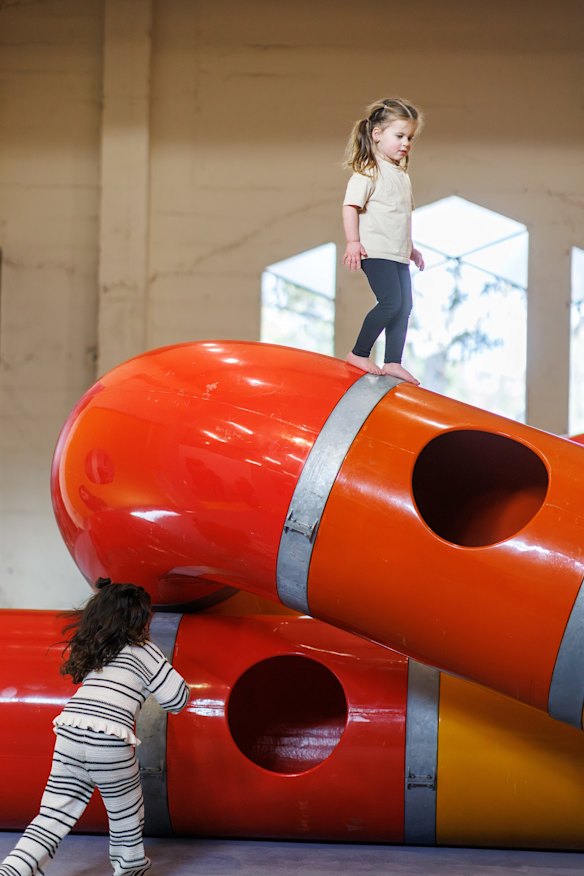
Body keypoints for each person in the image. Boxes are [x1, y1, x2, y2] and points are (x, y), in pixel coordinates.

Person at [0, 579, 189, 876]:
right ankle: (130, 870)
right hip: (110, 736)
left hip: (70, 728)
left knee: (52, 815)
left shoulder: (98, 648)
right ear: (139, 618)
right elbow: (177, 699)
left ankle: (13, 870)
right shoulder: (144, 650)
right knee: (127, 814)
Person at [342, 96, 425, 382]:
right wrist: (353, 242)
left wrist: (411, 248)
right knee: (391, 302)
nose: (406, 143)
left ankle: (392, 362)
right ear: (377, 134)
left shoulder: (401, 175)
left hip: (397, 252)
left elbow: (399, 216)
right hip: (375, 251)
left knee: (404, 307)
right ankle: (359, 353)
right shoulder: (369, 171)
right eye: (399, 136)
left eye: (410, 138)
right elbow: (350, 206)